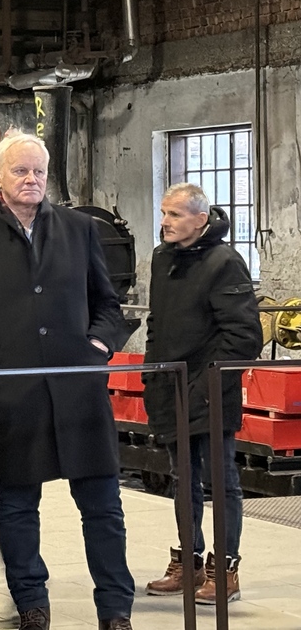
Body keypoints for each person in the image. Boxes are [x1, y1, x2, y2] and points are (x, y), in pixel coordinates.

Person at [0, 132, 135, 630]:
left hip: (79, 392)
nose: (31, 179)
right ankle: (32, 606)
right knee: (18, 510)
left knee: (103, 509)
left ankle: (116, 611)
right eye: (21, 170)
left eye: (39, 171)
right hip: (14, 396)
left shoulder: (79, 229)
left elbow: (108, 304)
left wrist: (98, 346)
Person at [142, 183, 260, 605]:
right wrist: (151, 374)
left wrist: (206, 386)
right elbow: (156, 323)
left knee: (221, 481)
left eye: (174, 214)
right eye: (163, 213)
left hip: (211, 391)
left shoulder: (224, 262)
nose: (165, 222)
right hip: (169, 385)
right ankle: (189, 563)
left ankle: (225, 571)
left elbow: (244, 337)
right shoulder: (162, 258)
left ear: (200, 219)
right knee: (182, 480)